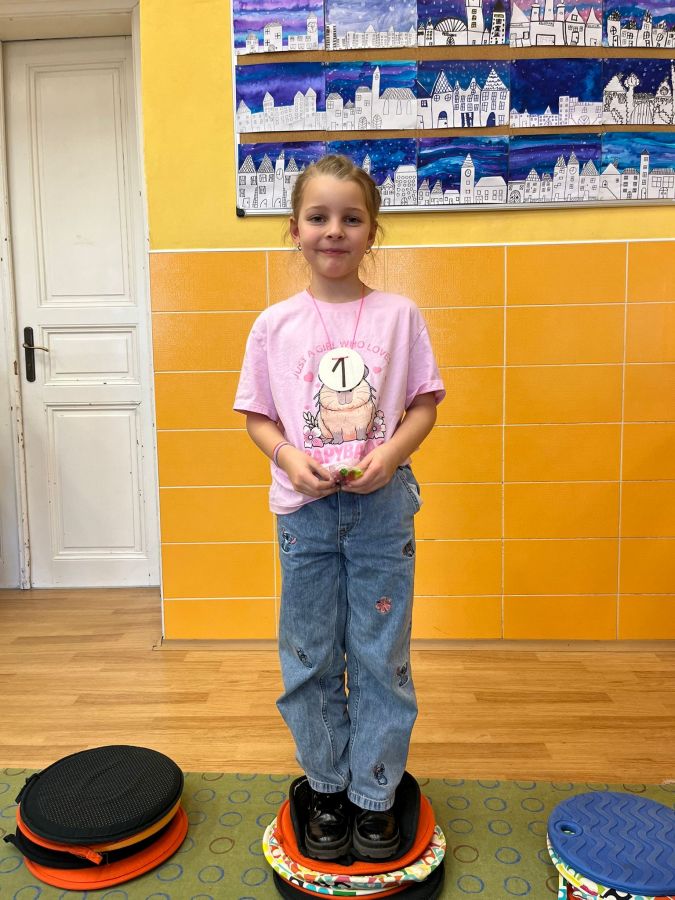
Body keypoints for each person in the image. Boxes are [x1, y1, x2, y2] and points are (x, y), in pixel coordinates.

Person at [234, 154, 445, 862]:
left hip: (381, 513)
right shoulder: (273, 326)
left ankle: (375, 793)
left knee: (381, 656)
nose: (334, 230)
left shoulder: (398, 316)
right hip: (305, 516)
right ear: (294, 229)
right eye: (318, 217)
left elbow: (423, 405)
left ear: (371, 231)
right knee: (309, 653)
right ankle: (326, 787)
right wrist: (287, 458)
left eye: (351, 218)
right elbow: (258, 417)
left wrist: (390, 455)